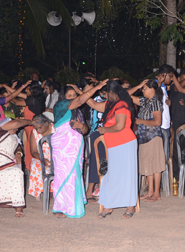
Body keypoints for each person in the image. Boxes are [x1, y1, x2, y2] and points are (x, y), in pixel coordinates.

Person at [84, 80, 137, 219]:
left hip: (125, 143)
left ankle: (130, 206)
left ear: (112, 93)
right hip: (113, 144)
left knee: (127, 175)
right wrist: (81, 94)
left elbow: (120, 126)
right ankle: (109, 205)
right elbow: (94, 105)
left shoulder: (122, 105)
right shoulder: (109, 105)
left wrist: (104, 129)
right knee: (112, 175)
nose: (105, 96)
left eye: (106, 93)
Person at [51, 83, 102, 218]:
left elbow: (85, 130)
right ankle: (60, 207)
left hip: (76, 145)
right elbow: (79, 100)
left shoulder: (78, 112)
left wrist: (81, 126)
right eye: (69, 96)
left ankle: (73, 205)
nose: (72, 98)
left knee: (74, 174)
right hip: (62, 146)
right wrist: (96, 88)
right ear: (63, 97)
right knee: (62, 175)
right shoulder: (60, 106)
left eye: (74, 96)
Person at [128, 79, 164, 202]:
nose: (142, 90)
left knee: (155, 165)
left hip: (153, 137)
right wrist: (138, 85)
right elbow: (126, 95)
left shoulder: (156, 102)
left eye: (145, 88)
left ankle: (156, 193)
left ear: (152, 89)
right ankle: (150, 192)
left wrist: (141, 121)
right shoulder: (144, 101)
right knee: (147, 164)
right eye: (142, 88)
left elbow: (158, 122)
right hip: (144, 137)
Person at [11, 81, 45, 171]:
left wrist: (8, 97)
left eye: (27, 89)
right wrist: (9, 88)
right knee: (30, 151)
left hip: (32, 128)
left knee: (32, 152)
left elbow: (15, 101)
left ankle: (33, 173)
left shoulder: (33, 101)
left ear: (32, 90)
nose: (26, 90)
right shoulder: (34, 98)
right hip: (29, 129)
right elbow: (18, 93)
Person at [28, 114, 55, 200]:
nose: (38, 130)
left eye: (40, 127)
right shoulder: (34, 132)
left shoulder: (56, 129)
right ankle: (42, 189)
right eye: (36, 128)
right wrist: (43, 159)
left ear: (46, 123)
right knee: (35, 165)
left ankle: (53, 190)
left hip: (56, 154)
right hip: (40, 156)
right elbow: (33, 151)